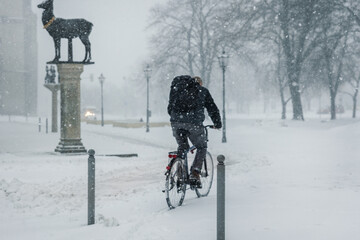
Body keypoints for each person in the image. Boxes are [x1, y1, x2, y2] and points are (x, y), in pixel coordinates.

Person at [167, 75, 222, 187]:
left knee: (182, 148)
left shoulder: (177, 89)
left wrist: (178, 118)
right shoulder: (202, 91)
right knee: (201, 147)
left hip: (176, 122)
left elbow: (170, 108)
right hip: (194, 123)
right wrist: (217, 123)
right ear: (199, 84)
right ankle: (195, 173)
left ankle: (179, 173)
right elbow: (212, 108)